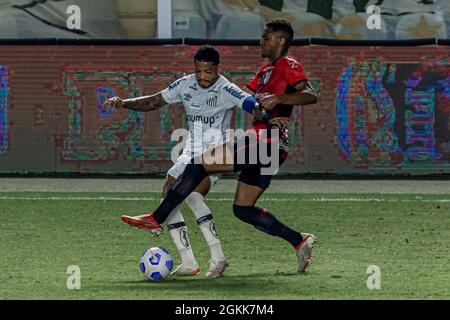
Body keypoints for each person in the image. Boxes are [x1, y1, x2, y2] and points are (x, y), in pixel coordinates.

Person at [119, 19, 319, 273]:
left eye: (266, 38)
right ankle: (299, 240)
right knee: (243, 209)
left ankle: (157, 218)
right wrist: (268, 113)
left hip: (266, 142)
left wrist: (278, 100)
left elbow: (311, 94)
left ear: (280, 40)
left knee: (198, 163)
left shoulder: (287, 64)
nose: (261, 42)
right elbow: (256, 106)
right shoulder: (265, 71)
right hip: (265, 144)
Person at [104, 45, 262, 278]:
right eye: (198, 71)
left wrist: (264, 113)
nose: (203, 76)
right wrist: (124, 102)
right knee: (169, 192)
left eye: (208, 71)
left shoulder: (226, 89)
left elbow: (251, 104)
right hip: (190, 149)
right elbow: (154, 101)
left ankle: (218, 258)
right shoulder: (185, 84)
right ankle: (188, 262)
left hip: (215, 152)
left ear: (218, 68)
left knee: (191, 195)